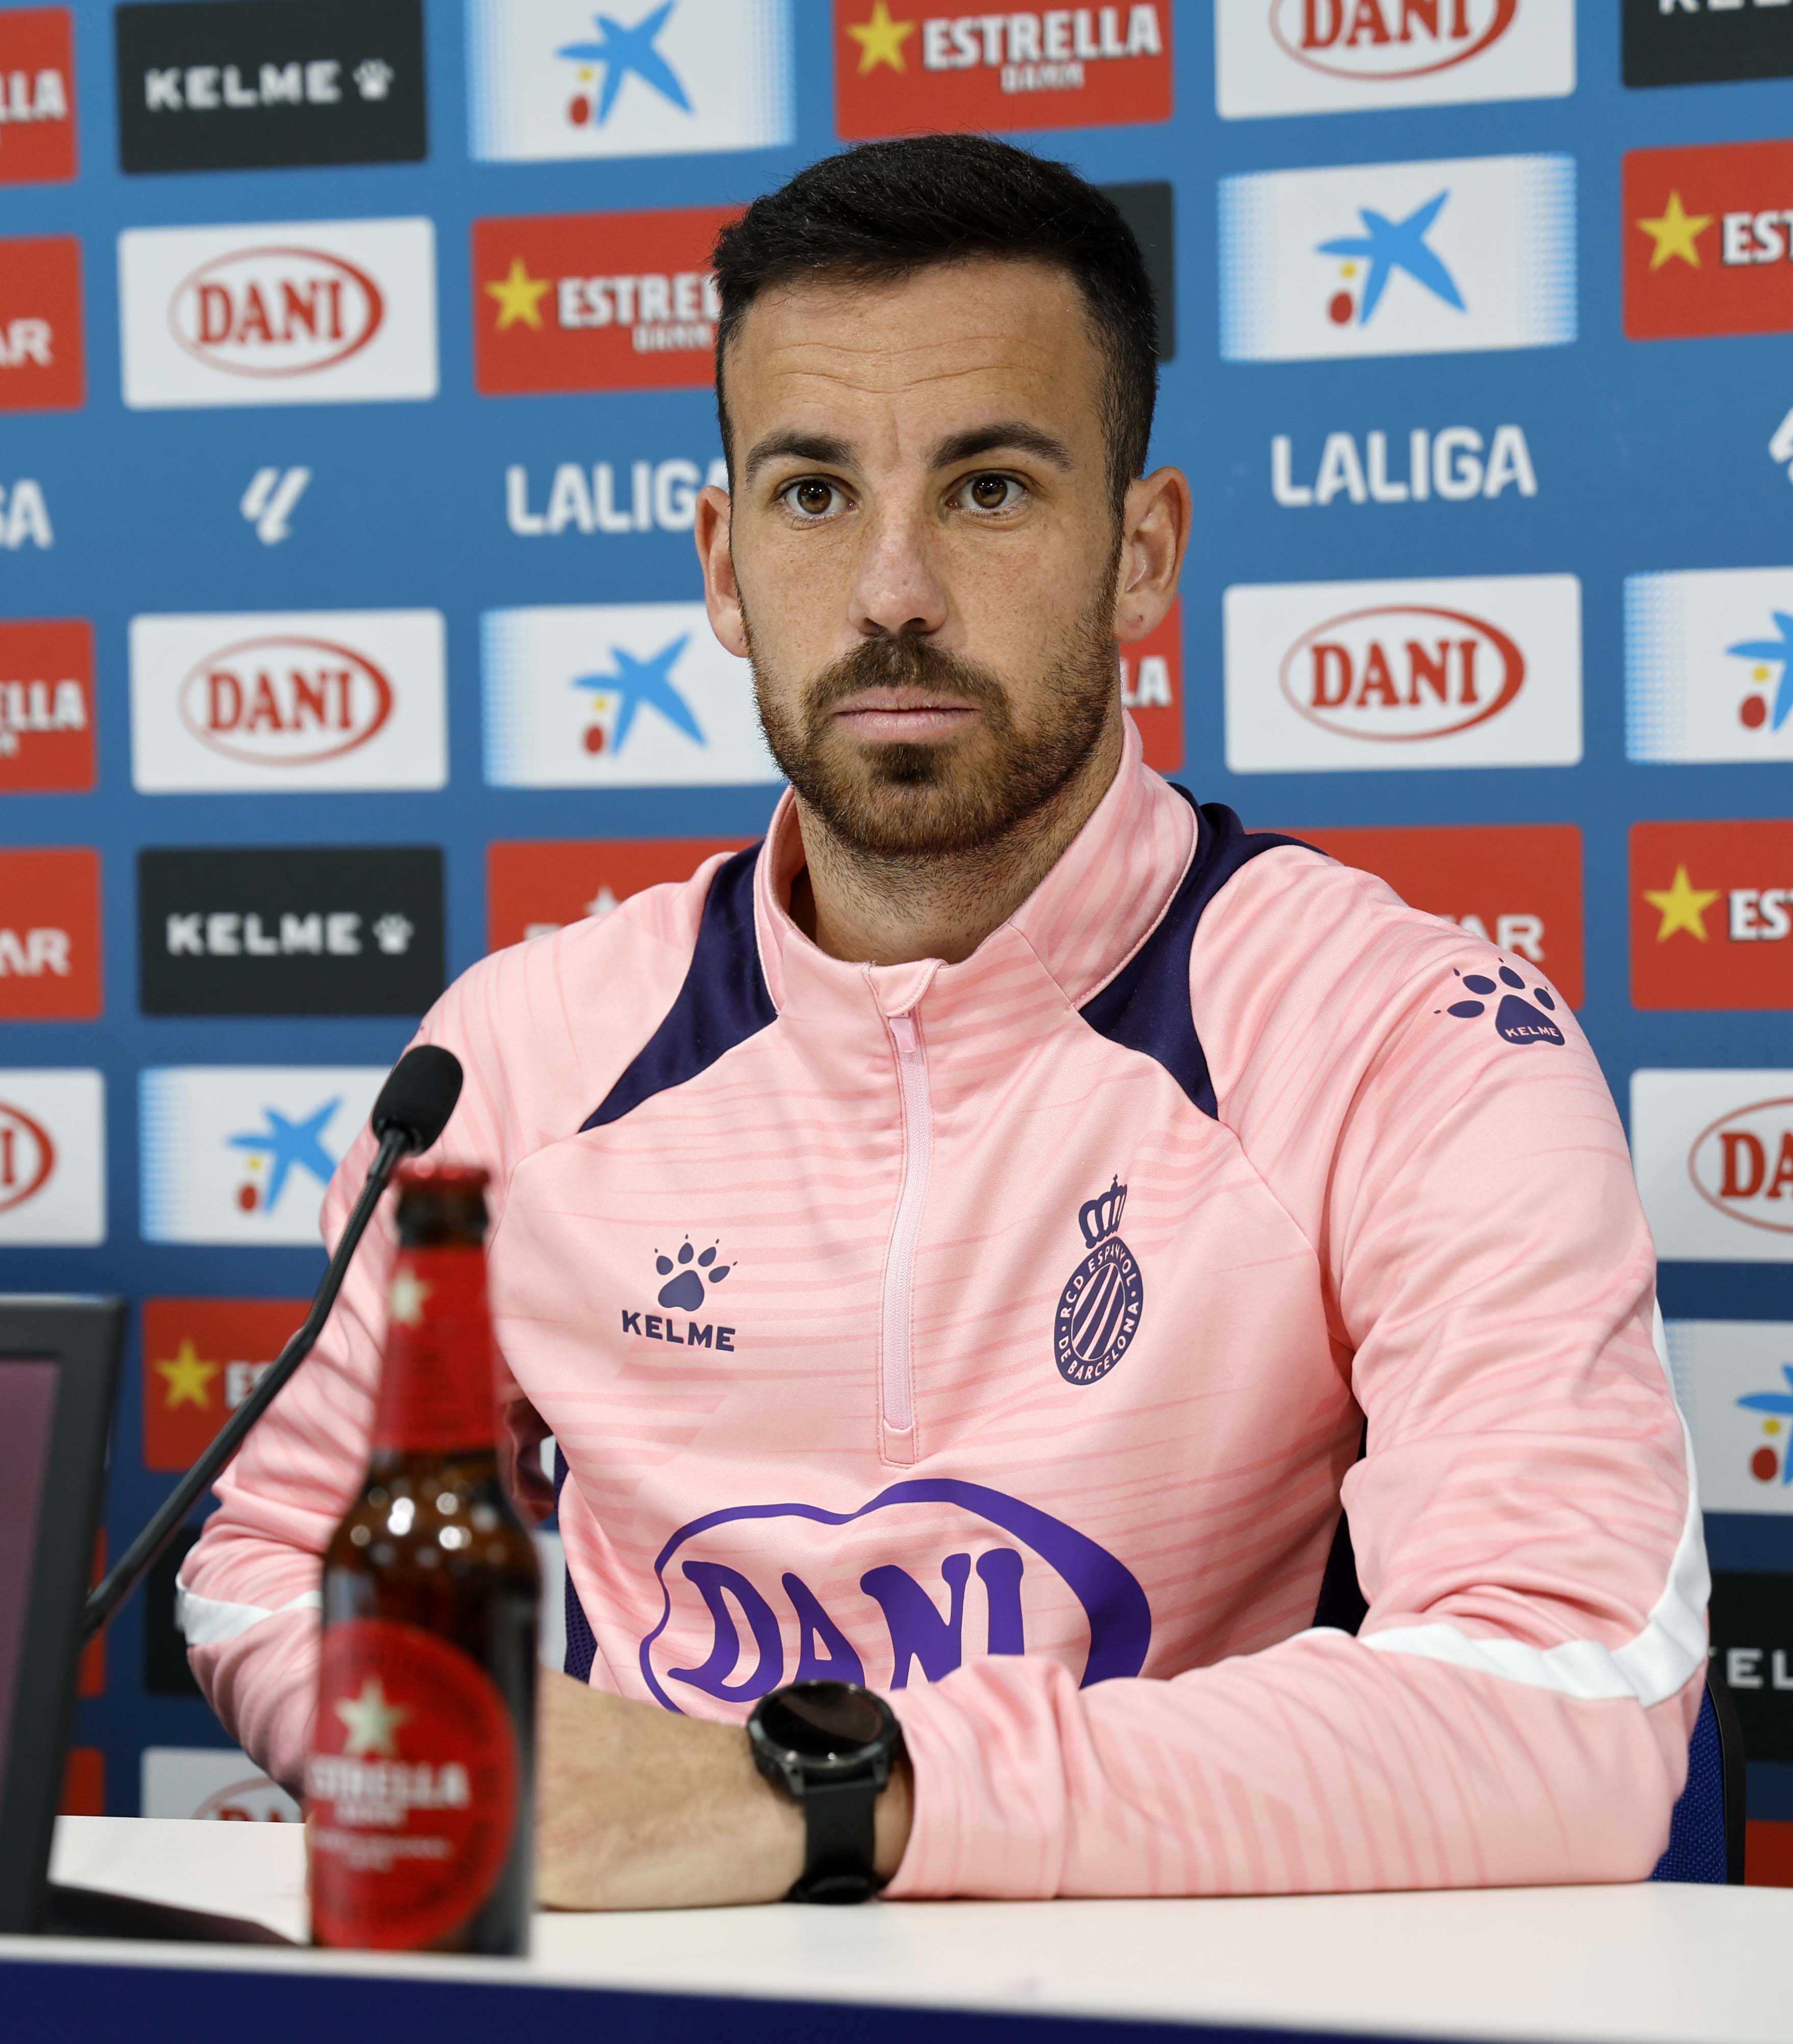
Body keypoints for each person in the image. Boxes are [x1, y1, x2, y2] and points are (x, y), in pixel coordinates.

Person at [181, 133, 1704, 1909]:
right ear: (724, 563)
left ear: (1142, 552)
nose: (893, 589)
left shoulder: (1399, 1035)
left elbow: (1569, 1691)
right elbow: (265, 1559)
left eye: (988, 489)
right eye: (814, 494)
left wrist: (818, 1802)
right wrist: (498, 1765)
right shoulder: (517, 1056)